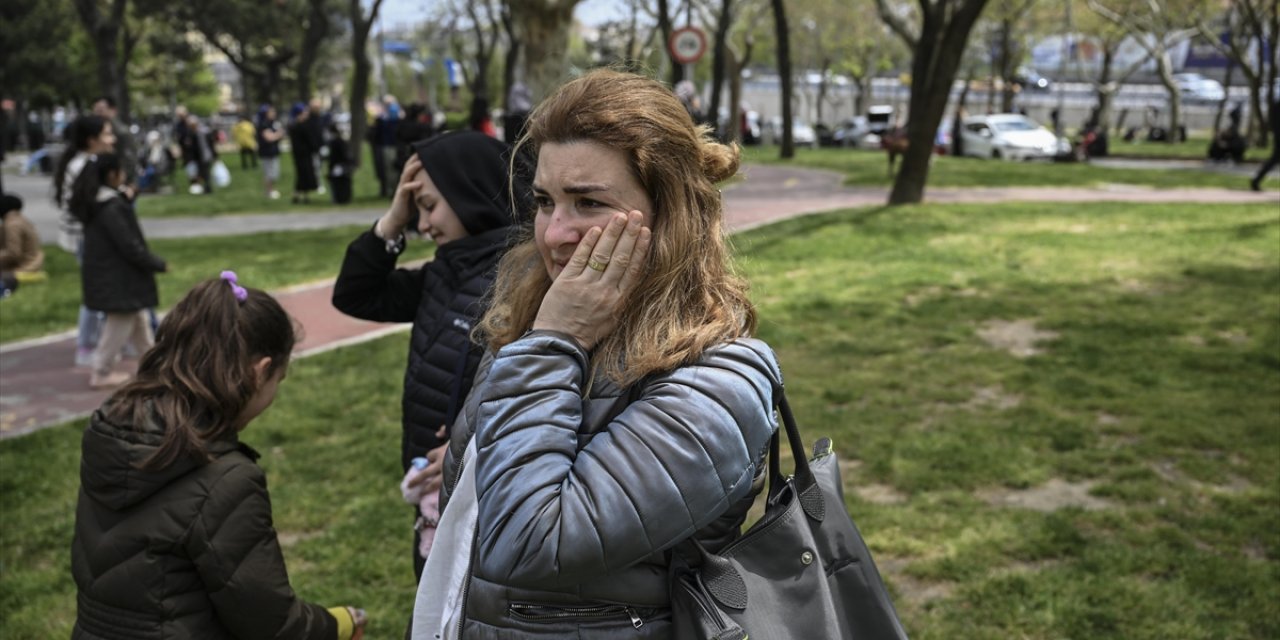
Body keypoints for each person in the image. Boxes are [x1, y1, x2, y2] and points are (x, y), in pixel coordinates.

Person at [410, 69, 782, 639]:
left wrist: (555, 343)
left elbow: (529, 543)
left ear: (670, 213)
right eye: (543, 201)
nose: (555, 232)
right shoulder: (539, 324)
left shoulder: (721, 384)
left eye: (587, 202)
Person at [71, 275, 369, 639]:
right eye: (280, 378)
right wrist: (339, 623)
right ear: (260, 373)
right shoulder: (226, 481)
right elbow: (270, 624)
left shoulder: (113, 429)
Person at [332, 130, 530, 581]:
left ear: (470, 194)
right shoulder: (445, 272)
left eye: (428, 207)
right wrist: (392, 220)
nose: (422, 225)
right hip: (433, 491)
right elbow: (356, 295)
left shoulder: (520, 282)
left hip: (482, 491)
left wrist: (469, 447)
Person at [70, 153, 167, 389]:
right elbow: (129, 245)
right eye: (121, 171)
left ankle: (154, 367)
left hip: (113, 276)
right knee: (119, 324)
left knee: (139, 321)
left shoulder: (100, 204)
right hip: (119, 278)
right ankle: (102, 371)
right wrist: (155, 263)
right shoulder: (111, 209)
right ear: (113, 175)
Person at [53, 114, 116, 367]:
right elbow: (90, 203)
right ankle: (88, 345)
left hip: (85, 236)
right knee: (96, 292)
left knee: (101, 290)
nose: (112, 139)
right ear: (92, 140)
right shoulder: (86, 165)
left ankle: (100, 343)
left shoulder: (82, 162)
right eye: (107, 134)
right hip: (87, 238)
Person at [0, 193, 45, 281]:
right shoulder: (22, 220)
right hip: (33, 264)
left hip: (23, 268)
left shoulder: (12, 225)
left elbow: (13, 254)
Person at [288, 103, 320, 203]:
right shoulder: (298, 127)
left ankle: (303, 196)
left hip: (305, 154)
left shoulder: (299, 125)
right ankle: (297, 195)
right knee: (302, 175)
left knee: (305, 175)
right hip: (302, 155)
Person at [257, 105, 286, 199]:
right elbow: (269, 138)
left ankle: (272, 189)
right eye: (271, 112)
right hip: (267, 152)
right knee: (269, 173)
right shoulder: (263, 124)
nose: (273, 114)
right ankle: (269, 191)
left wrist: (278, 134)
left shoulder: (273, 123)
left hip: (273, 151)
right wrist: (279, 134)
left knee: (274, 173)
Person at [1251, 98, 1280, 191]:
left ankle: (1256, 180)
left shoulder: (1276, 104)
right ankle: (1256, 180)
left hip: (1277, 136)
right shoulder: (1277, 105)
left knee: (1274, 159)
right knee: (1274, 159)